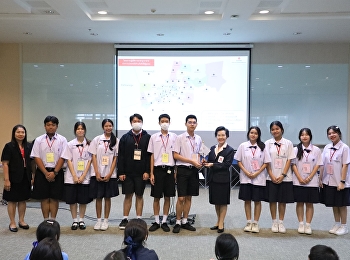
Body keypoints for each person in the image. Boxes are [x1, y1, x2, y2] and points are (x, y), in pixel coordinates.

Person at [234, 126, 270, 233]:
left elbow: (266, 162)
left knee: (257, 200)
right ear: (248, 134)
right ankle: (249, 222)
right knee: (247, 200)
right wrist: (246, 171)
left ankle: (255, 223)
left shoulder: (263, 146)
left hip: (259, 178)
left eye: (255, 133)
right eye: (251, 132)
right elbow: (239, 161)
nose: (253, 135)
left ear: (258, 135)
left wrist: (257, 172)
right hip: (246, 177)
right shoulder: (242, 146)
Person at [117, 114, 151, 229]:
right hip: (128, 172)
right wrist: (121, 172)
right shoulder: (125, 137)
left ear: (142, 122)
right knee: (128, 195)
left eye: (139, 121)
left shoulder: (147, 137)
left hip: (142, 173)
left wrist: (148, 171)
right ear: (131, 123)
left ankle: (138, 219)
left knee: (139, 195)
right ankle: (125, 218)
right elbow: (120, 156)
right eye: (134, 121)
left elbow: (149, 156)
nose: (137, 122)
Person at [30, 116, 67, 219]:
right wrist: (46, 173)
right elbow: (36, 157)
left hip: (57, 172)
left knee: (55, 198)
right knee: (44, 198)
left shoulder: (62, 140)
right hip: (42, 172)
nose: (51, 127)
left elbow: (63, 157)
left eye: (53, 125)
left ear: (57, 126)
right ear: (45, 126)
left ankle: (53, 220)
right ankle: (46, 220)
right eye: (48, 125)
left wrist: (54, 172)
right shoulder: (38, 140)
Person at [172, 114, 202, 233]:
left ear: (196, 124)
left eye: (194, 122)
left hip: (193, 170)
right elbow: (175, 155)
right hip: (182, 169)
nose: (192, 124)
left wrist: (199, 161)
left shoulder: (199, 138)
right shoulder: (180, 138)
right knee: (181, 198)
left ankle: (185, 221)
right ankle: (177, 221)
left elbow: (198, 153)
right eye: (190, 122)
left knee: (189, 196)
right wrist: (190, 160)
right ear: (185, 124)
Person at [147, 114, 177, 232]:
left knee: (168, 196)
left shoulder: (175, 137)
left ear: (170, 122)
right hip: (158, 169)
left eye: (167, 121)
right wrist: (151, 173)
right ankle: (156, 220)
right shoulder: (154, 137)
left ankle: (164, 221)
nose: (165, 123)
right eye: (162, 121)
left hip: (170, 169)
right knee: (156, 197)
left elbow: (176, 154)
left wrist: (176, 172)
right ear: (159, 123)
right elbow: (152, 155)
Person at [88, 119, 119, 231]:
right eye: (106, 126)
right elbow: (93, 157)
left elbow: (116, 158)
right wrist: (96, 172)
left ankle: (106, 220)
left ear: (112, 127)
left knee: (107, 197)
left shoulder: (116, 140)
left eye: (110, 126)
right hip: (98, 173)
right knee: (98, 197)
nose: (108, 128)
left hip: (110, 174)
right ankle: (98, 220)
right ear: (103, 127)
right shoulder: (97, 140)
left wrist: (110, 173)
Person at [1, 124, 33, 232]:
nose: (20, 134)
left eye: (22, 132)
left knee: (23, 200)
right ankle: (12, 222)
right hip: (13, 177)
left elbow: (32, 163)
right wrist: (6, 180)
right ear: (14, 133)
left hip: (25, 176)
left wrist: (33, 176)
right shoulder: (9, 146)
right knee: (12, 200)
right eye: (18, 132)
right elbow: (5, 164)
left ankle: (21, 220)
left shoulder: (29, 146)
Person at [61, 122, 92, 230]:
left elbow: (90, 161)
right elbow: (68, 160)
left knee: (83, 200)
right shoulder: (70, 144)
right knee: (72, 200)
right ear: (75, 131)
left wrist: (83, 176)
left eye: (82, 129)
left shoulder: (89, 144)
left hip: (85, 176)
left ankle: (81, 220)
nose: (80, 130)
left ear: (85, 130)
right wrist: (74, 175)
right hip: (71, 176)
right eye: (78, 129)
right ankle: (74, 220)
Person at [265, 121, 295, 233]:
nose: (275, 131)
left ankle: (281, 222)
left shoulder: (288, 143)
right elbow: (266, 161)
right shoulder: (267, 143)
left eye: (277, 129)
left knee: (282, 200)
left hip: (285, 177)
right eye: (273, 129)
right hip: (271, 176)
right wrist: (272, 175)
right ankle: (274, 222)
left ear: (282, 129)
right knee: (272, 200)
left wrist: (283, 174)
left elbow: (289, 159)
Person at [320, 125, 350, 236]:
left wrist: (342, 181)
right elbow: (323, 164)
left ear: (339, 133)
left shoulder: (345, 147)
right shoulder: (327, 147)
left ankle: (344, 226)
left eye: (334, 133)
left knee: (341, 204)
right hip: (328, 180)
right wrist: (320, 179)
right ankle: (337, 223)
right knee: (334, 203)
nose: (332, 135)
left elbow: (345, 165)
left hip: (340, 181)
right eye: (329, 133)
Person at [291, 128, 322, 235]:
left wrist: (309, 178)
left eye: (306, 135)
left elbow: (318, 165)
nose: (304, 137)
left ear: (310, 136)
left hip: (312, 181)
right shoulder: (295, 149)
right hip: (298, 180)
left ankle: (308, 224)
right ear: (299, 137)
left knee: (309, 203)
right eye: (302, 135)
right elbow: (293, 164)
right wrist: (299, 178)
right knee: (300, 202)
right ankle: (301, 223)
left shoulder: (316, 150)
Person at [204, 126, 234, 233]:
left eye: (223, 135)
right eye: (219, 135)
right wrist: (205, 162)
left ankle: (221, 223)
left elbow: (227, 164)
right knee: (216, 202)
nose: (221, 137)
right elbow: (210, 160)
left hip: (223, 179)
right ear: (216, 136)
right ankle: (218, 221)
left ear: (227, 136)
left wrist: (213, 164)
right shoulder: (212, 148)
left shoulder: (230, 150)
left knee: (223, 202)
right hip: (213, 179)